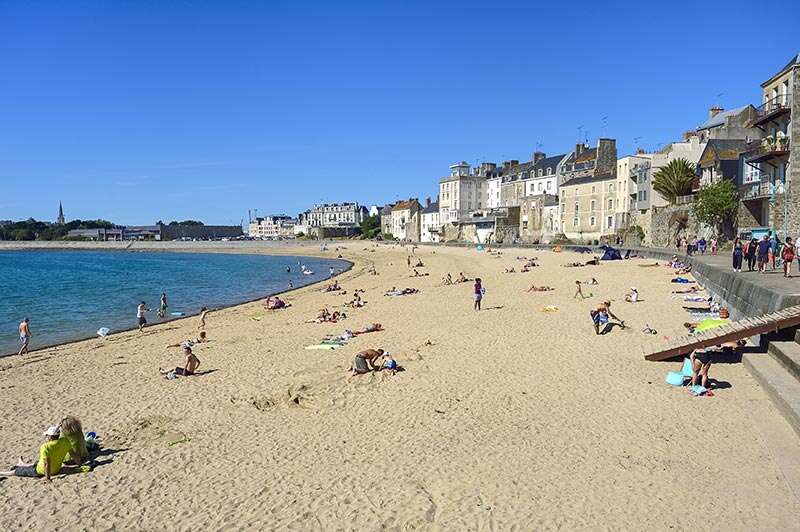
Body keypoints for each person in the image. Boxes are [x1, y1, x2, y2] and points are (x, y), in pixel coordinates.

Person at [0, 426, 72, 481]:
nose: (47, 437)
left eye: (47, 435)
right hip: (56, 469)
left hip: (42, 471)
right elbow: (73, 453)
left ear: (50, 437)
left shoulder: (45, 447)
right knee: (38, 462)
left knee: (18, 471)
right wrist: (78, 463)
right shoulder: (64, 441)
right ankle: (22, 464)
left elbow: (46, 464)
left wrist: (47, 478)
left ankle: (2, 473)